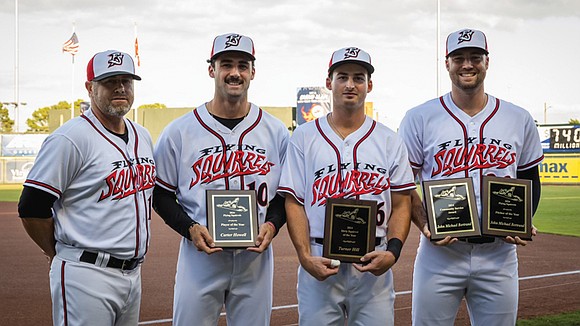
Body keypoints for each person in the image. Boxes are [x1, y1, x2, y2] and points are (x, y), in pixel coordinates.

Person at [398, 28, 544, 326]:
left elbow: (530, 177)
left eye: (475, 57)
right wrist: (424, 224)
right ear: (447, 64)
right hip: (440, 255)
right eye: (459, 58)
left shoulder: (518, 118)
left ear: (487, 62)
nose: (467, 64)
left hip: (499, 254)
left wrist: (522, 218)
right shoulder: (419, 117)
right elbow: (402, 186)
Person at [152, 33, 288, 325]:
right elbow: (160, 193)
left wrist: (272, 224)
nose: (234, 72)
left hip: (256, 259)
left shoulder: (276, 132)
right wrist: (189, 228)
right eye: (226, 64)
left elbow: (285, 195)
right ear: (212, 69)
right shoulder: (180, 131)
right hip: (200, 257)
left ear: (253, 71)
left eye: (242, 64)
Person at [278, 47, 415, 325]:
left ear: (369, 85)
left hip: (373, 262)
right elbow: (293, 202)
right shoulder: (304, 137)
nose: (350, 84)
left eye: (358, 77)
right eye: (342, 77)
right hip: (319, 260)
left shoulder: (389, 140)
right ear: (329, 82)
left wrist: (393, 252)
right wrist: (305, 257)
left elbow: (402, 202)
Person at [18, 50, 155, 325]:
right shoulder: (70, 138)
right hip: (86, 274)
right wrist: (54, 250)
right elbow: (31, 206)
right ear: (90, 88)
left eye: (126, 80)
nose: (120, 87)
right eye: (109, 81)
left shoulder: (142, 135)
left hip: (133, 273)